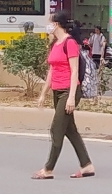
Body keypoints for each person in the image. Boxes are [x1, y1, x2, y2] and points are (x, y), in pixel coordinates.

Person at [34, 16, 93, 179]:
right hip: (57, 90)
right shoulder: (55, 44)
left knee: (56, 128)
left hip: (69, 90)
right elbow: (51, 70)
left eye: (50, 23)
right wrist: (43, 93)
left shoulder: (70, 43)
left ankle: (48, 169)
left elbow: (74, 71)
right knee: (70, 129)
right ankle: (87, 165)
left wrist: (72, 97)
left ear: (57, 24)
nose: (48, 26)